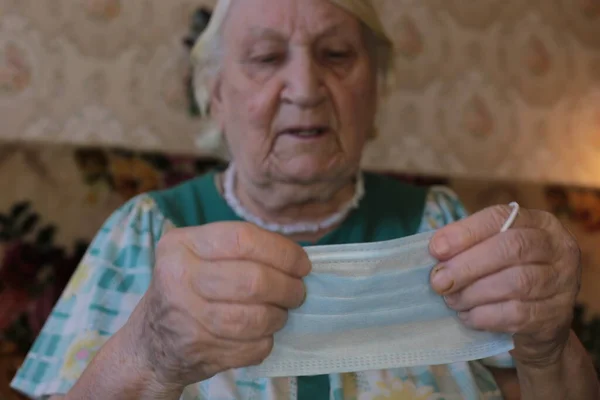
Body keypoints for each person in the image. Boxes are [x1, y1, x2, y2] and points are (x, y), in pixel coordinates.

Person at [10, 0, 599, 399]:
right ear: (215, 97)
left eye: (337, 55)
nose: (305, 88)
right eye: (267, 58)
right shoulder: (145, 231)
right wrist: (150, 352)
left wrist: (549, 347)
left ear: (376, 86)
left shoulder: (442, 227)